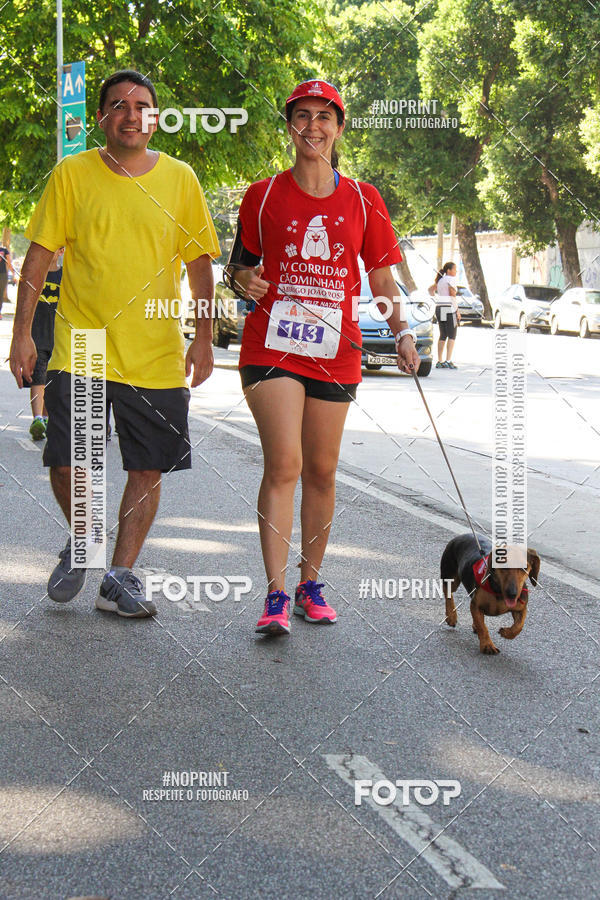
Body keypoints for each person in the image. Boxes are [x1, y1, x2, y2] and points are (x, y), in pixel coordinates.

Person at [9, 70, 220, 618]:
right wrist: (23, 334)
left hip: (155, 352)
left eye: (142, 105)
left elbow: (200, 267)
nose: (131, 114)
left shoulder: (181, 180)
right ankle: (84, 542)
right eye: (119, 105)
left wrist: (203, 339)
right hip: (86, 345)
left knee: (146, 468)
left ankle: (119, 576)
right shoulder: (72, 175)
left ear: (156, 117)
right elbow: (37, 258)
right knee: (68, 461)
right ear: (101, 117)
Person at [224, 79, 420, 636]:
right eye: (302, 116)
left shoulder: (363, 198)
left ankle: (312, 583)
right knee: (284, 463)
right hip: (273, 346)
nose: (312, 126)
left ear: (338, 127)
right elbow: (238, 268)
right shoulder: (262, 194)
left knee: (323, 470)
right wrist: (244, 281)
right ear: (289, 125)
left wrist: (402, 333)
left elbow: (380, 277)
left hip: (335, 352)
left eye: (323, 117)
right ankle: (276, 593)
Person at [27, 248, 62, 440]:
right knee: (38, 377)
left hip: (57, 337)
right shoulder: (36, 274)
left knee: (51, 379)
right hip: (37, 336)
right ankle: (37, 418)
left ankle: (46, 418)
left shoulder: (66, 277)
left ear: (62, 251)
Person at [430, 261, 460, 369]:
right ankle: (448, 360)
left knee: (443, 334)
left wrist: (435, 298)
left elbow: (430, 290)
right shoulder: (451, 279)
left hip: (440, 307)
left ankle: (440, 360)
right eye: (455, 269)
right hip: (449, 308)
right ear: (449, 270)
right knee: (452, 334)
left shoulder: (440, 280)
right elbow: (452, 295)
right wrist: (457, 311)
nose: (456, 271)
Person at [0, 243, 16, 319]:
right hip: (2, 275)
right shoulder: (4, 250)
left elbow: (9, 262)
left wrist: (13, 274)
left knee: (0, 294)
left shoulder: (4, 250)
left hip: (2, 274)